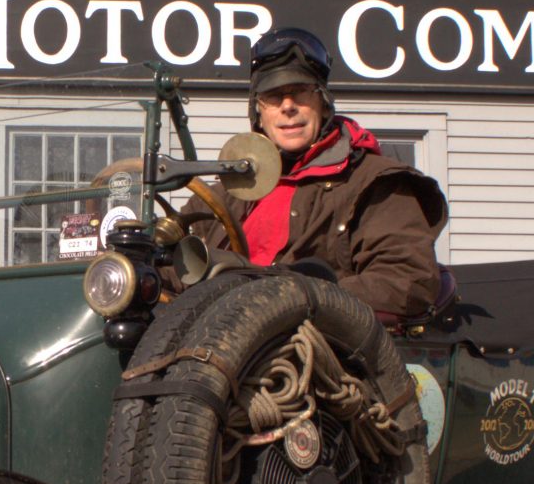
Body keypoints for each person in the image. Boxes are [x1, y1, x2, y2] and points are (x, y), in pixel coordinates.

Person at [184, 27, 452, 324]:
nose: (288, 106)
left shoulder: (377, 183)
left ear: (323, 103)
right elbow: (174, 259)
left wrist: (296, 295)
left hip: (318, 353)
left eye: (300, 92)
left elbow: (407, 281)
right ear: (258, 112)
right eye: (274, 97)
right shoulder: (226, 193)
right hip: (211, 343)